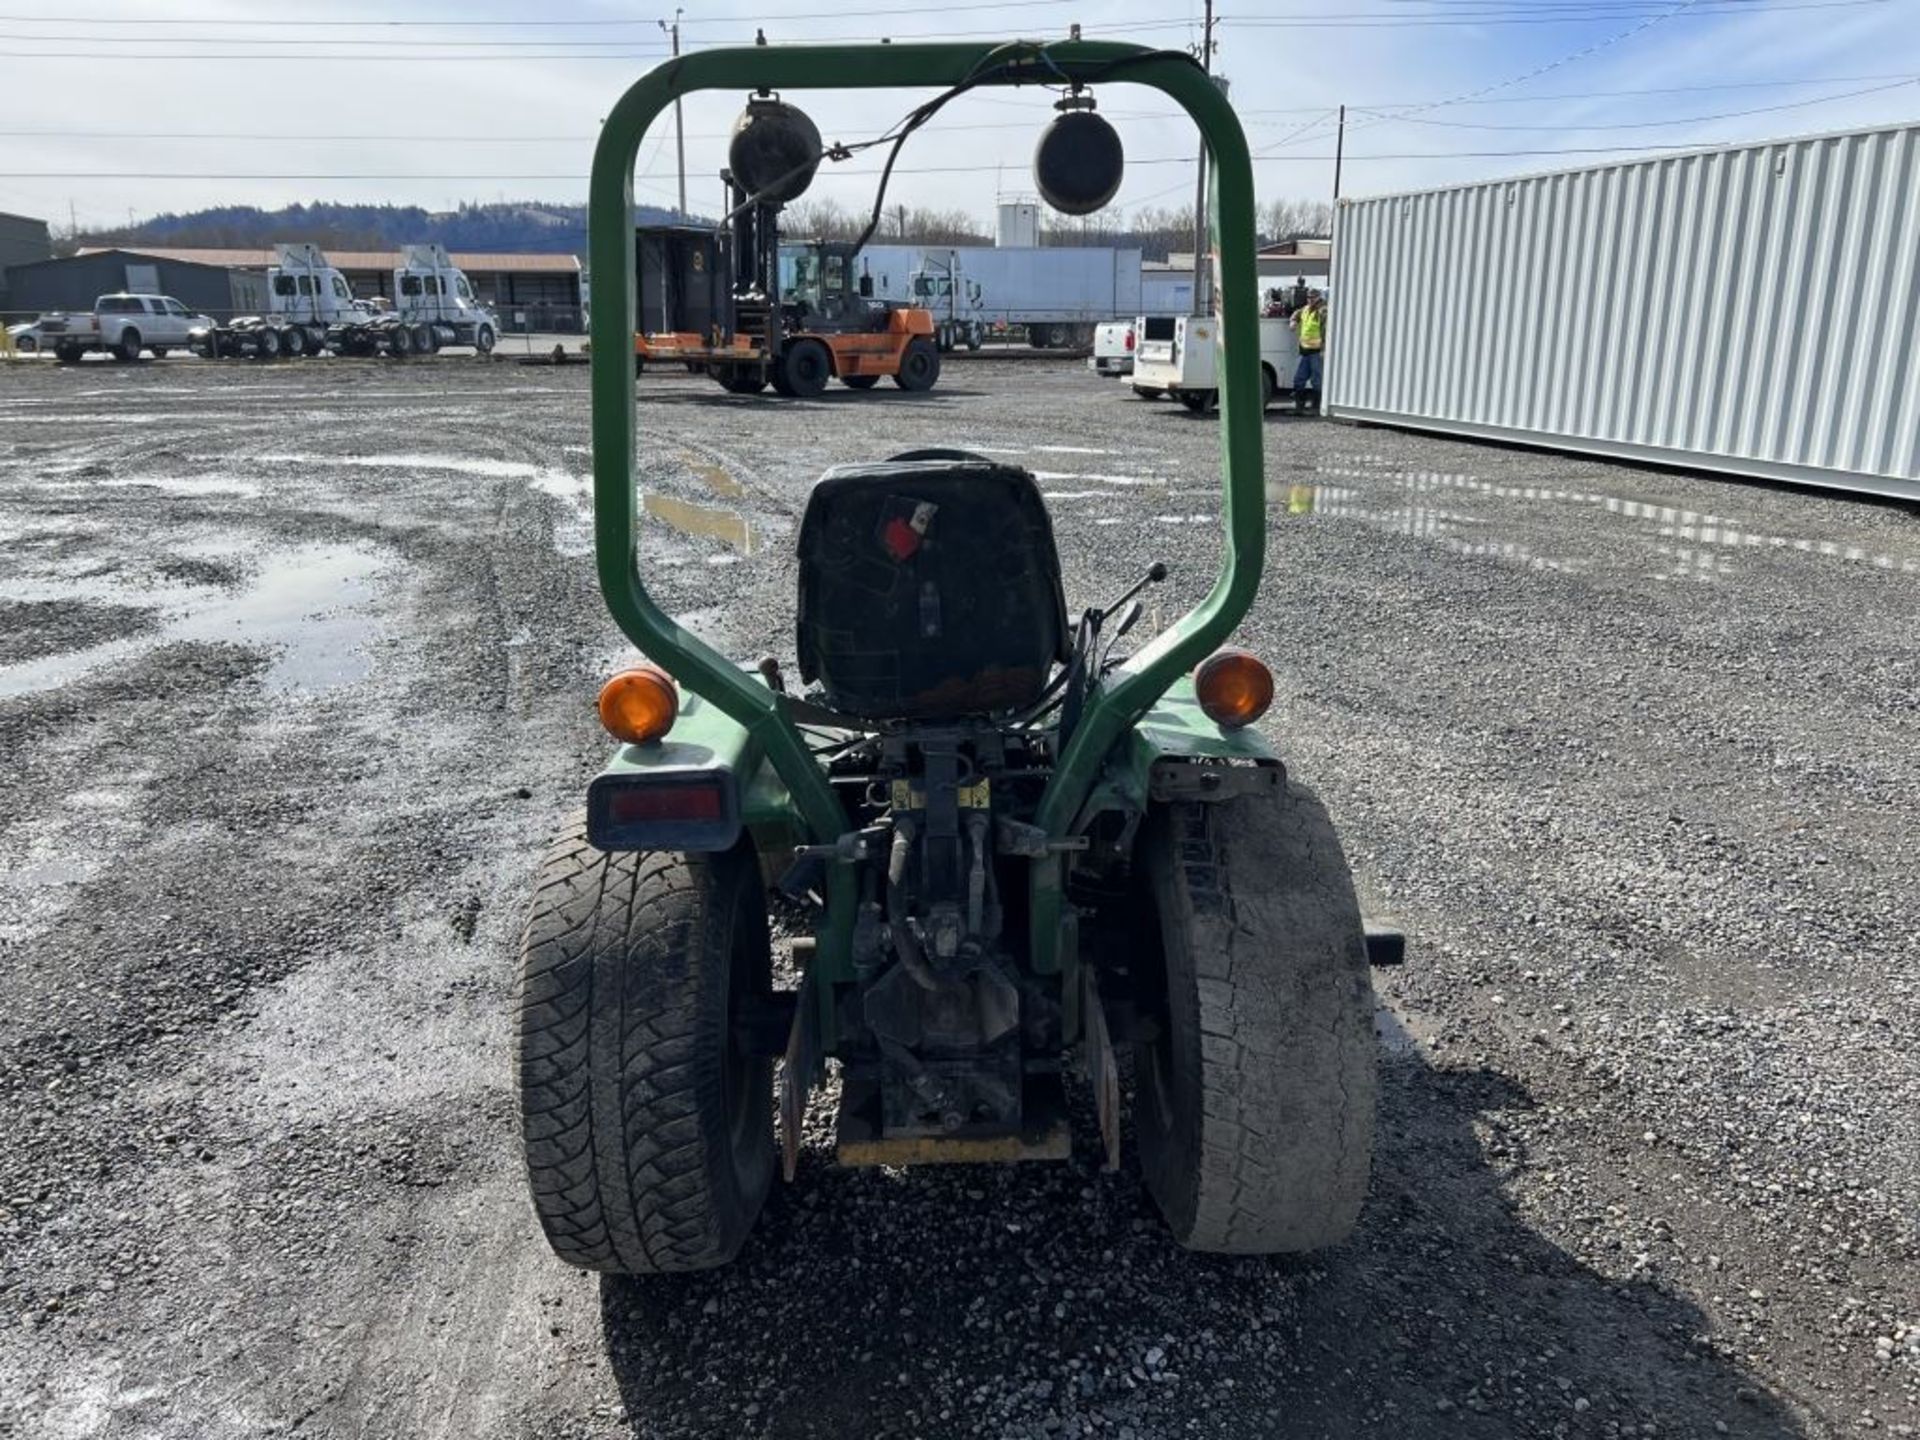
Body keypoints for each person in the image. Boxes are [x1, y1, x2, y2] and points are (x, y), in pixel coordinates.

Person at [1290, 291, 1326, 414]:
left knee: (1317, 380)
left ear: (1318, 298)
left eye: (1313, 297)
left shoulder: (1323, 311)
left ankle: (1316, 408)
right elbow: (1296, 314)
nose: (1310, 299)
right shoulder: (1305, 309)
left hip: (1317, 352)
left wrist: (1323, 350)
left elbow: (1326, 331)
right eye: (1308, 297)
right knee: (1299, 379)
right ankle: (1299, 407)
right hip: (1305, 351)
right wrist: (1293, 321)